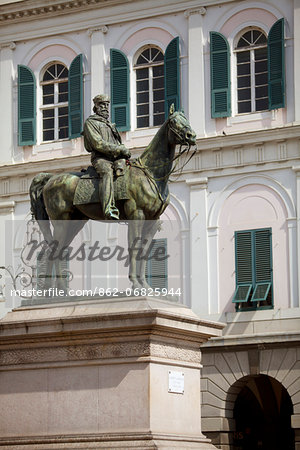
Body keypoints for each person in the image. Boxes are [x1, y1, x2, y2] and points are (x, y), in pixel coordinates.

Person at [83, 94, 131, 220]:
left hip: (115, 157)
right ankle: (108, 208)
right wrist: (119, 149)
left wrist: (122, 151)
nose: (105, 107)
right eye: (102, 104)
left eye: (107, 105)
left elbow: (116, 142)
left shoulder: (109, 124)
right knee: (107, 173)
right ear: (96, 106)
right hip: (101, 158)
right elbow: (97, 143)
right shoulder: (91, 123)